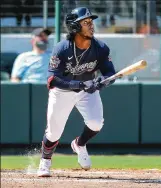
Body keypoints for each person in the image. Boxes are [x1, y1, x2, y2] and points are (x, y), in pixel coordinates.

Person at [37, 7, 116, 177]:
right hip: (62, 91)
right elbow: (52, 80)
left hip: (88, 90)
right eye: (86, 22)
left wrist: (102, 82)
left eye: (91, 22)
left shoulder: (101, 48)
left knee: (96, 123)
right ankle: (45, 162)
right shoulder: (62, 48)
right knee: (54, 132)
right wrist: (79, 84)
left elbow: (111, 73)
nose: (91, 25)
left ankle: (79, 144)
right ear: (75, 27)